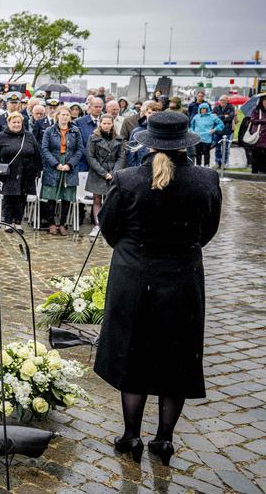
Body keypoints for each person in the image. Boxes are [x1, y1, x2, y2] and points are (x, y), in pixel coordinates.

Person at [94, 111, 221, 466]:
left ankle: (131, 436)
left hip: (135, 277)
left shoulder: (127, 178)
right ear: (186, 143)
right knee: (176, 359)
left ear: (148, 142)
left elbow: (109, 228)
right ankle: (164, 440)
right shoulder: (207, 179)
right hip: (183, 279)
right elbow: (207, 232)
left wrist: (138, 248)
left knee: (133, 355)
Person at [0, 111, 42, 233]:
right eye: (14, 122)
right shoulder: (1, 137)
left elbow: (37, 154)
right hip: (8, 173)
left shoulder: (28, 136)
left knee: (21, 198)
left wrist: (37, 170)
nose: (17, 124)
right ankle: (8, 223)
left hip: (26, 172)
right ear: (9, 123)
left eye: (19, 122)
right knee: (9, 198)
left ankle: (18, 223)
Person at [40, 106, 83, 236]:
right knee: (51, 195)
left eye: (67, 115)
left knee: (67, 195)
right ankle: (52, 223)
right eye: (62, 114)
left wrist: (70, 164)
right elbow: (45, 149)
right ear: (57, 116)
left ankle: (63, 223)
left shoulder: (75, 131)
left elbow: (79, 149)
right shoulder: (49, 130)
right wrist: (55, 164)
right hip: (53, 165)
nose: (65, 117)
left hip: (70, 166)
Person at [85, 114, 125, 236]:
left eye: (109, 123)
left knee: (110, 200)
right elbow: (90, 157)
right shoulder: (93, 138)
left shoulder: (119, 139)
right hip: (98, 172)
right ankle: (97, 225)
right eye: (104, 123)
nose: (107, 125)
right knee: (97, 200)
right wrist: (103, 172)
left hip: (113, 172)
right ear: (100, 124)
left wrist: (113, 173)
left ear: (112, 124)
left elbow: (121, 158)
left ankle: (107, 225)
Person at [126, 101, 160, 167]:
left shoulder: (162, 132)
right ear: (145, 113)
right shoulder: (137, 131)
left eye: (154, 113)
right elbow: (131, 153)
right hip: (140, 167)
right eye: (149, 113)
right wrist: (134, 170)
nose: (152, 115)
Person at [188, 102, 223, 167]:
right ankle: (198, 166)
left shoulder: (212, 117)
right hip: (197, 138)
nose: (203, 110)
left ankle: (206, 166)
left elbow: (221, 124)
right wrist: (192, 131)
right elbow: (191, 125)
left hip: (207, 138)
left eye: (205, 109)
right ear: (199, 109)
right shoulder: (196, 116)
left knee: (206, 153)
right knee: (198, 153)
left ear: (207, 109)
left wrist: (214, 129)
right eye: (202, 109)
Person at [238, 96, 266, 173]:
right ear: (261, 102)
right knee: (256, 155)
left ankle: (263, 171)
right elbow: (253, 120)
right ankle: (255, 171)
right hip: (258, 136)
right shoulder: (256, 110)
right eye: (264, 101)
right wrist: (264, 121)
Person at [75, 96, 103, 171]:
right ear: (90, 107)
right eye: (96, 106)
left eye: (100, 107)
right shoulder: (79, 122)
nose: (98, 109)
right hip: (84, 162)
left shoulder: (105, 121)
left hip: (101, 163)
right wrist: (90, 157)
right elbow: (78, 144)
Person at [211, 95, 236, 169]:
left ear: (227, 101)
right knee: (217, 148)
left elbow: (230, 117)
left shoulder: (231, 107)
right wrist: (224, 116)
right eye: (221, 100)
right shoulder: (216, 107)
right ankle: (217, 162)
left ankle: (224, 163)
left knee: (225, 148)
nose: (222, 101)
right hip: (217, 131)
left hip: (227, 131)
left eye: (224, 100)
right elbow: (213, 118)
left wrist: (219, 117)